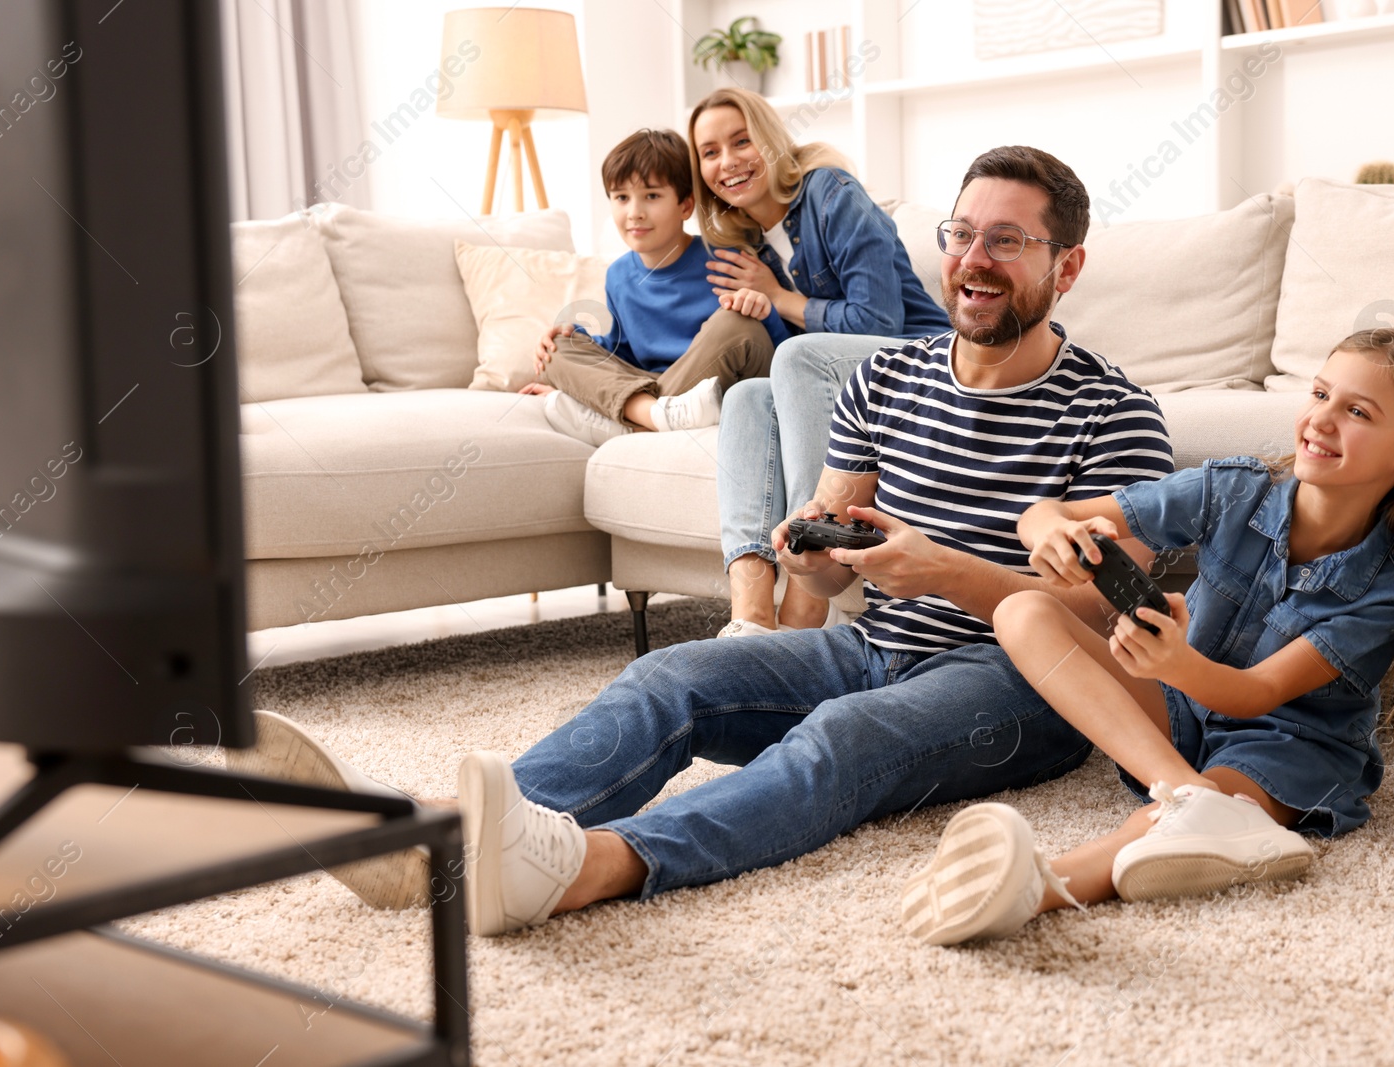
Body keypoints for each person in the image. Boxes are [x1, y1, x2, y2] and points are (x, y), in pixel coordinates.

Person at [229, 146, 1175, 930]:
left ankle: (591, 865)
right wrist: (808, 547)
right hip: (875, 645)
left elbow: (1107, 614)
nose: (974, 259)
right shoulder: (885, 380)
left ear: (1067, 264)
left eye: (1007, 241)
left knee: (838, 739)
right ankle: (442, 837)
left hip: (1023, 690)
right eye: (962, 234)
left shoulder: (1115, 413)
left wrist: (935, 567)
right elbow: (825, 537)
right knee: (666, 677)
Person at [901, 328, 1394, 947]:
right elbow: (1055, 511)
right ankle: (1191, 796)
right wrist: (1046, 529)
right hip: (1184, 712)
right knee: (1022, 612)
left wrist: (1176, 660)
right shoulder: (1234, 489)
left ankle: (1039, 886)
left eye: (1359, 413)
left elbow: (1258, 692)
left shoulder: (1387, 589)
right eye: (1322, 393)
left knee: (1153, 830)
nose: (1322, 420)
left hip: (1284, 746)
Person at [682, 88, 952, 637]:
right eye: (709, 152)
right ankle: (752, 613)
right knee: (746, 395)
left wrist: (780, 298)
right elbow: (787, 375)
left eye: (741, 140)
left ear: (771, 139)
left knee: (797, 356)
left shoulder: (832, 192)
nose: (727, 161)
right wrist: (762, 308)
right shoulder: (747, 243)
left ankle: (810, 594)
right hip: (848, 378)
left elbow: (879, 321)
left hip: (922, 362)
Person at [522, 128, 791, 447]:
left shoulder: (726, 261)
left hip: (717, 384)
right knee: (558, 348)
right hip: (656, 387)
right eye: (621, 197)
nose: (634, 212)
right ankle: (656, 416)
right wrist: (574, 341)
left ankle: (633, 422)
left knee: (736, 322)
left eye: (651, 196)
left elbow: (776, 349)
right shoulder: (619, 276)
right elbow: (621, 351)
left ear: (685, 206)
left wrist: (763, 309)